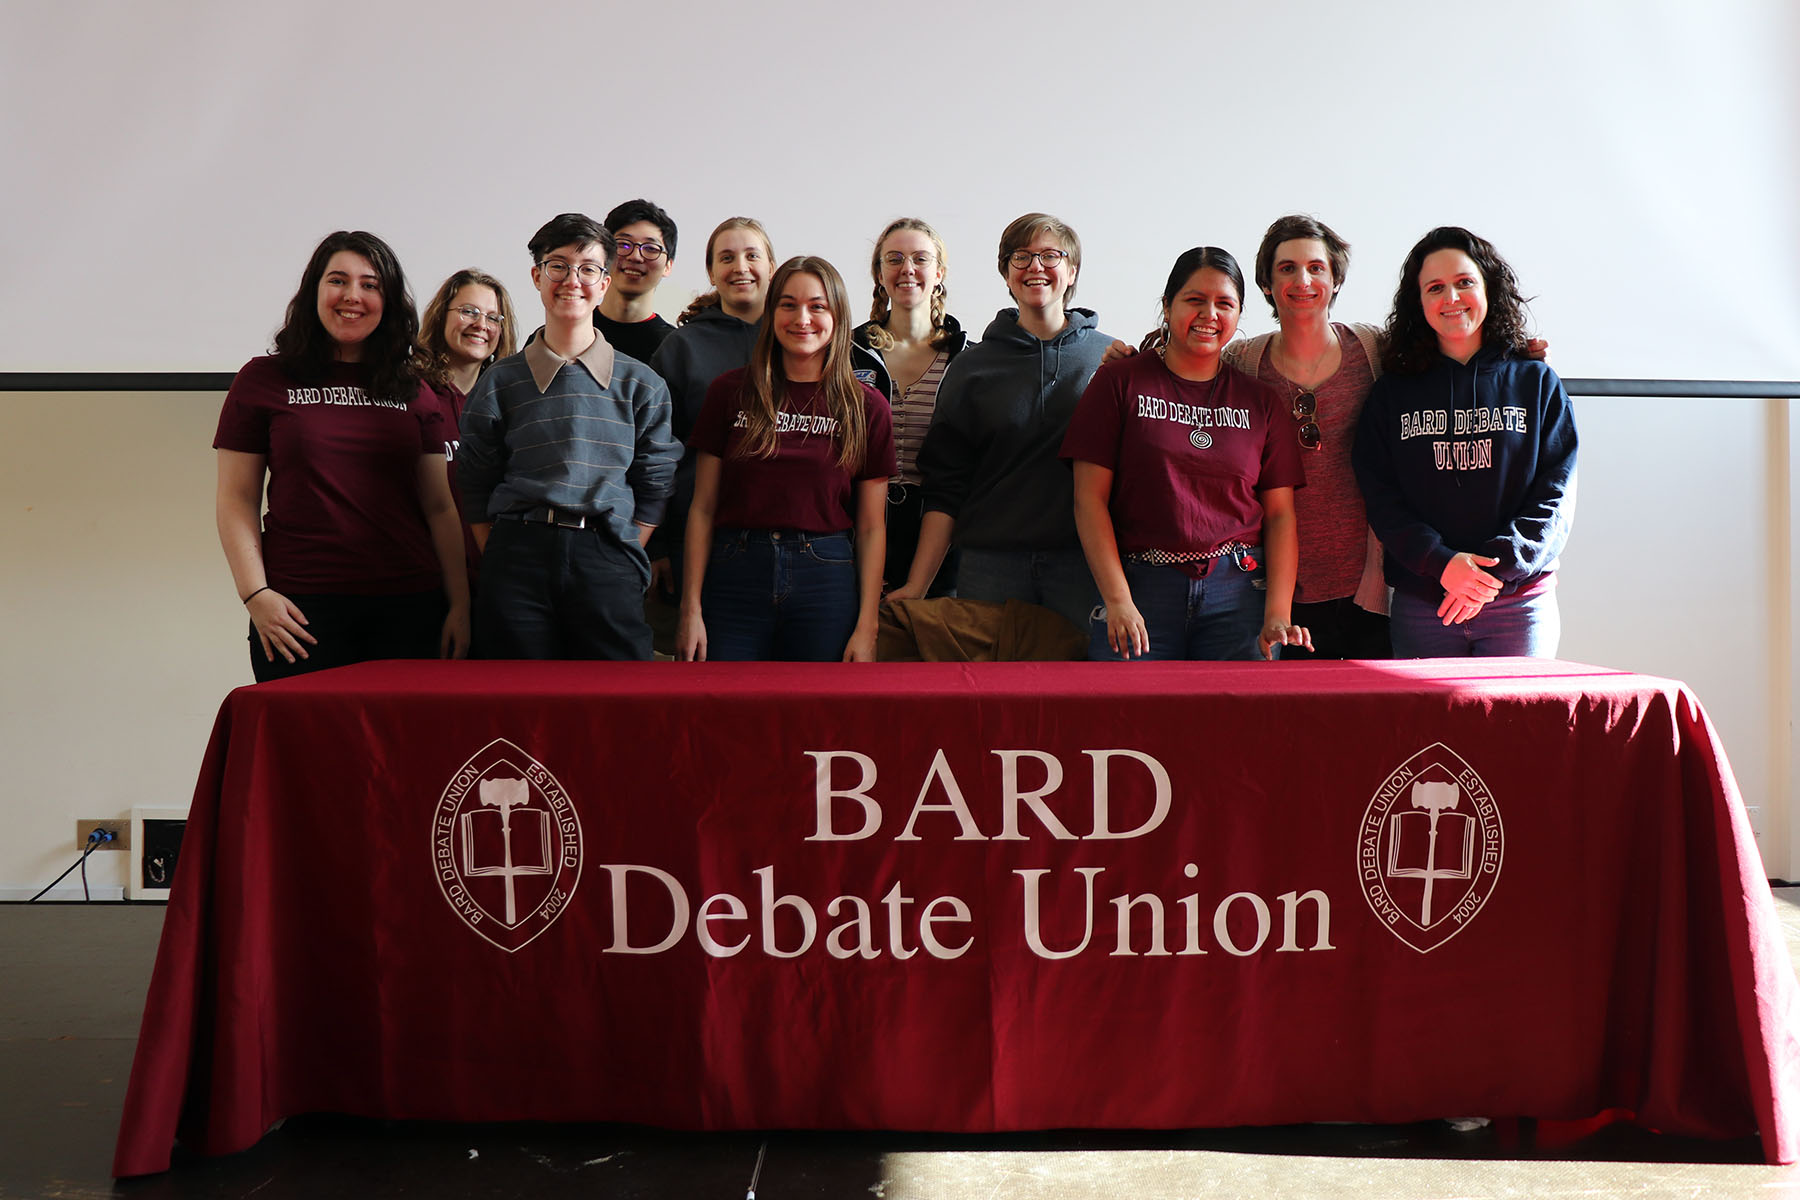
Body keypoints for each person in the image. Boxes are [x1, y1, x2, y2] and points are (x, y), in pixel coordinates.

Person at [214, 230, 471, 681]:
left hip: (410, 608)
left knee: (403, 752)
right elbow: (236, 500)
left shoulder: (415, 390)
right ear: (314, 289)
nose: (352, 296)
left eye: (370, 284)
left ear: (388, 300)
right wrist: (256, 595)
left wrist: (461, 606)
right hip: (298, 615)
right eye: (338, 280)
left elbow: (439, 506)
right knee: (306, 752)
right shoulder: (263, 379)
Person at [1062, 247, 1310, 661]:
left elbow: (1281, 514)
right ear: (1167, 305)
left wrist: (1277, 614)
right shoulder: (1117, 383)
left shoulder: (1260, 402)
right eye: (1195, 300)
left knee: (1235, 724)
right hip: (1139, 591)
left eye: (1224, 304)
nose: (1209, 314)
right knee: (1124, 721)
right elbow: (1088, 500)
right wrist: (1118, 600)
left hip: (1239, 594)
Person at [457, 213, 679, 660]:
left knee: (618, 703)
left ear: (605, 281)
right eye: (557, 266)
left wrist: (621, 551)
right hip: (517, 555)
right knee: (516, 703)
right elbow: (475, 480)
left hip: (607, 554)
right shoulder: (500, 381)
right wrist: (501, 552)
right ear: (537, 276)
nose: (571, 280)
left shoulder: (643, 384)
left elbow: (655, 484)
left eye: (588, 269)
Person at [1352, 226, 1577, 658]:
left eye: (1464, 282)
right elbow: (1382, 499)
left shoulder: (1536, 382)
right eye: (1435, 287)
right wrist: (1442, 564)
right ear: (1419, 303)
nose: (1451, 298)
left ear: (1488, 288)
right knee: (1430, 729)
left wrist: (1488, 574)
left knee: (1521, 727)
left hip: (1519, 604)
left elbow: (1556, 493)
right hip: (1424, 605)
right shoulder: (1391, 394)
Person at [897, 213, 1112, 632]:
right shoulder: (971, 367)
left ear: (1072, 272)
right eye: (1021, 257)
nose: (1035, 267)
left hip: (1084, 566)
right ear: (1006, 273)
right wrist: (917, 585)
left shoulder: (1109, 361)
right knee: (991, 696)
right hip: (990, 567)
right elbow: (946, 486)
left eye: (1051, 256)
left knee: (1083, 693)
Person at [676, 257, 894, 662]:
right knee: (725, 709)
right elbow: (702, 508)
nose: (802, 318)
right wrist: (691, 609)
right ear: (772, 312)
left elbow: (870, 528)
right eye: (788, 305)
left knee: (817, 717)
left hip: (825, 578)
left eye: (817, 306)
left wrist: (868, 626)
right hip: (734, 574)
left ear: (839, 315)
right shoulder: (729, 392)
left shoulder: (867, 406)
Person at [647, 217, 776, 598]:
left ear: (771, 266)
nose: (740, 267)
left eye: (752, 255)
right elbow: (655, 454)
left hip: (790, 541)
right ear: (711, 271)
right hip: (700, 537)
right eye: (727, 257)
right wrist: (657, 546)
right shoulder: (681, 348)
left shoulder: (800, 340)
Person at [851, 218, 972, 595]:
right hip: (855, 526)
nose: (907, 269)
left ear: (940, 273)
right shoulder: (847, 353)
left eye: (920, 258)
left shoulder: (967, 359)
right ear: (879, 272)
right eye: (894, 258)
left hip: (940, 535)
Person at [417, 268, 520, 597]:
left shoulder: (512, 406)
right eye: (468, 312)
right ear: (440, 317)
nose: (481, 325)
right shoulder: (409, 395)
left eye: (493, 317)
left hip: (495, 580)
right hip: (421, 579)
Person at [595, 198, 679, 363]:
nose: (635, 256)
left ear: (668, 266)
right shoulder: (566, 333)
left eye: (650, 249)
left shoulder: (676, 348)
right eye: (624, 245)